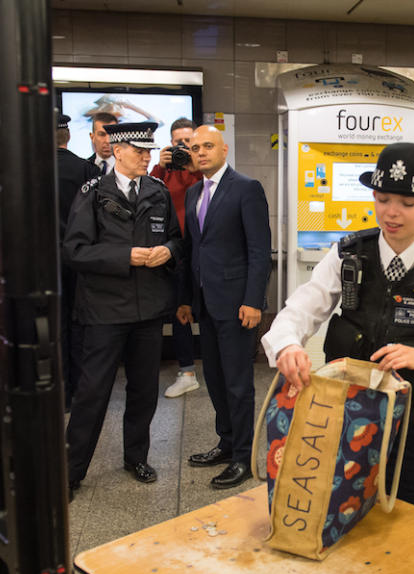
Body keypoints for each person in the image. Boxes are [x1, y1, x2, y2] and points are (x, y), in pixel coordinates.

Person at [262, 142, 414, 514]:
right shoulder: (349, 255)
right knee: (343, 515)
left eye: (408, 203)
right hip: (346, 419)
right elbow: (297, 312)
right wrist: (287, 345)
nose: (392, 213)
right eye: (383, 199)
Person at [64, 122, 182, 500]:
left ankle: (136, 457)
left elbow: (177, 240)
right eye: (140, 151)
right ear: (117, 151)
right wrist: (124, 256)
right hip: (104, 311)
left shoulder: (157, 191)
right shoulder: (93, 193)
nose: (148, 157)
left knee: (144, 390)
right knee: (92, 392)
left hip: (148, 309)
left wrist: (170, 252)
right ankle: (71, 471)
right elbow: (75, 251)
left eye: (149, 151)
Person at [177, 126, 271, 490]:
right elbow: (192, 250)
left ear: (224, 148)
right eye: (195, 147)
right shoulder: (192, 193)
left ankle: (244, 458)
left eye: (207, 146)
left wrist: (253, 301)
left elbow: (259, 251)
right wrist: (186, 298)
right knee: (214, 380)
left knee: (237, 383)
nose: (200, 152)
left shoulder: (246, 189)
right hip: (205, 303)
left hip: (237, 305)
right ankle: (226, 443)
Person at [150, 118, 202, 398]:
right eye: (177, 143)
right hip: (172, 249)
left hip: (200, 249)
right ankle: (186, 370)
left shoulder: (200, 169)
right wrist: (160, 165)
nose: (183, 148)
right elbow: (148, 196)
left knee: (202, 308)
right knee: (176, 310)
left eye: (188, 143)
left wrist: (192, 164)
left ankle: (200, 369)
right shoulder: (163, 171)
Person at [56, 113, 101, 408]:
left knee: (51, 325)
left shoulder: (26, 169)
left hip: (40, 265)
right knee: (78, 325)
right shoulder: (84, 169)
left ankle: (56, 390)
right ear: (68, 136)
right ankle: (78, 391)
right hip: (79, 260)